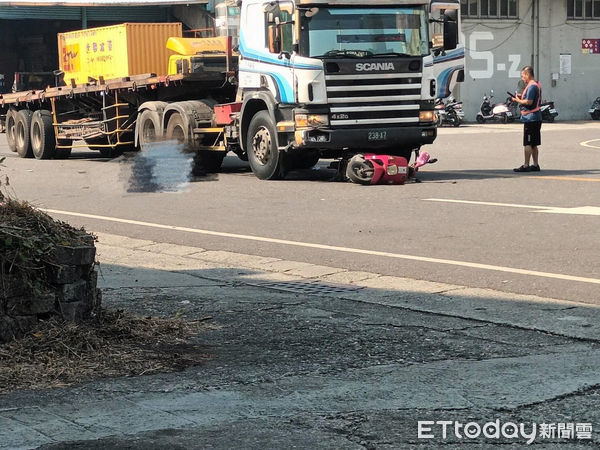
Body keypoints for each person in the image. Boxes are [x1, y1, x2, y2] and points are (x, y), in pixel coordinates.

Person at [512, 66, 542, 172]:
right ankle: (535, 164)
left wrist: (518, 100)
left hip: (531, 118)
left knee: (528, 143)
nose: (522, 78)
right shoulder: (535, 84)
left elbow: (529, 102)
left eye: (523, 76)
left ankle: (526, 165)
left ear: (527, 74)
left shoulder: (532, 86)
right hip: (535, 117)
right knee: (534, 143)